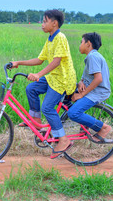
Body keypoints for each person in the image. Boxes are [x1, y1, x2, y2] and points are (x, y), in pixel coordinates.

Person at [11, 9, 76, 159]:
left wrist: (39, 74)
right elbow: (40, 60)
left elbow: (56, 61)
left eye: (45, 21)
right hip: (53, 77)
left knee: (47, 107)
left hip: (62, 80)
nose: (42, 24)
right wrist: (18, 63)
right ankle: (36, 123)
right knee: (31, 89)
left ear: (54, 23)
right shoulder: (50, 39)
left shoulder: (60, 37)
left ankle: (63, 139)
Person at [68, 32, 113, 143]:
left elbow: (98, 79)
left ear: (88, 44)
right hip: (92, 90)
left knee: (73, 113)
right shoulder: (91, 56)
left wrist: (82, 94)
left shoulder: (93, 57)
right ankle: (84, 124)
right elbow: (86, 77)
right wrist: (80, 82)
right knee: (67, 96)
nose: (80, 45)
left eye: (81, 42)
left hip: (98, 92)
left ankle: (103, 128)